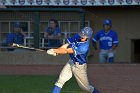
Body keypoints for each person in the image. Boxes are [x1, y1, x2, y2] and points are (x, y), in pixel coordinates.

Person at [47, 27, 100, 93]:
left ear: (87, 37)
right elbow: (66, 45)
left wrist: (54, 50)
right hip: (71, 62)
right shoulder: (78, 36)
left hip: (79, 67)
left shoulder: (84, 47)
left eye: (83, 37)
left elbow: (67, 51)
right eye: (81, 35)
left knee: (86, 89)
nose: (81, 37)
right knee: (60, 81)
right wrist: (57, 52)